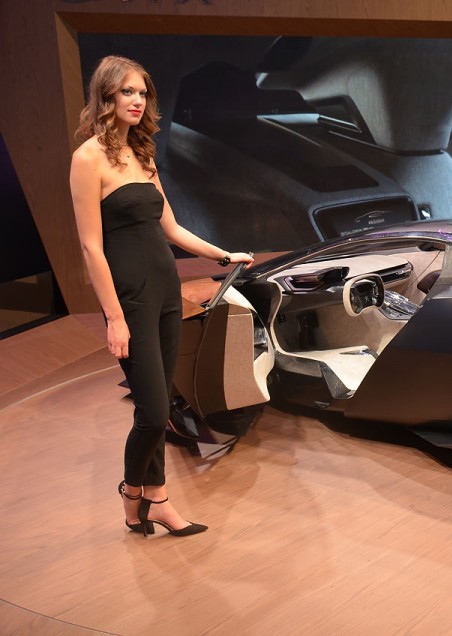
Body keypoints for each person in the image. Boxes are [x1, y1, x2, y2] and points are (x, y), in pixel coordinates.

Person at [70, 55, 254, 537]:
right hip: (129, 298)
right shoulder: (88, 158)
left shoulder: (144, 153)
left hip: (166, 293)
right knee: (152, 412)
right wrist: (113, 317)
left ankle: (157, 504)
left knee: (160, 407)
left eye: (144, 92)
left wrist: (223, 254)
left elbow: (170, 227)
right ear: (106, 95)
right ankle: (135, 496)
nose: (138, 101)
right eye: (128, 91)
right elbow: (91, 246)